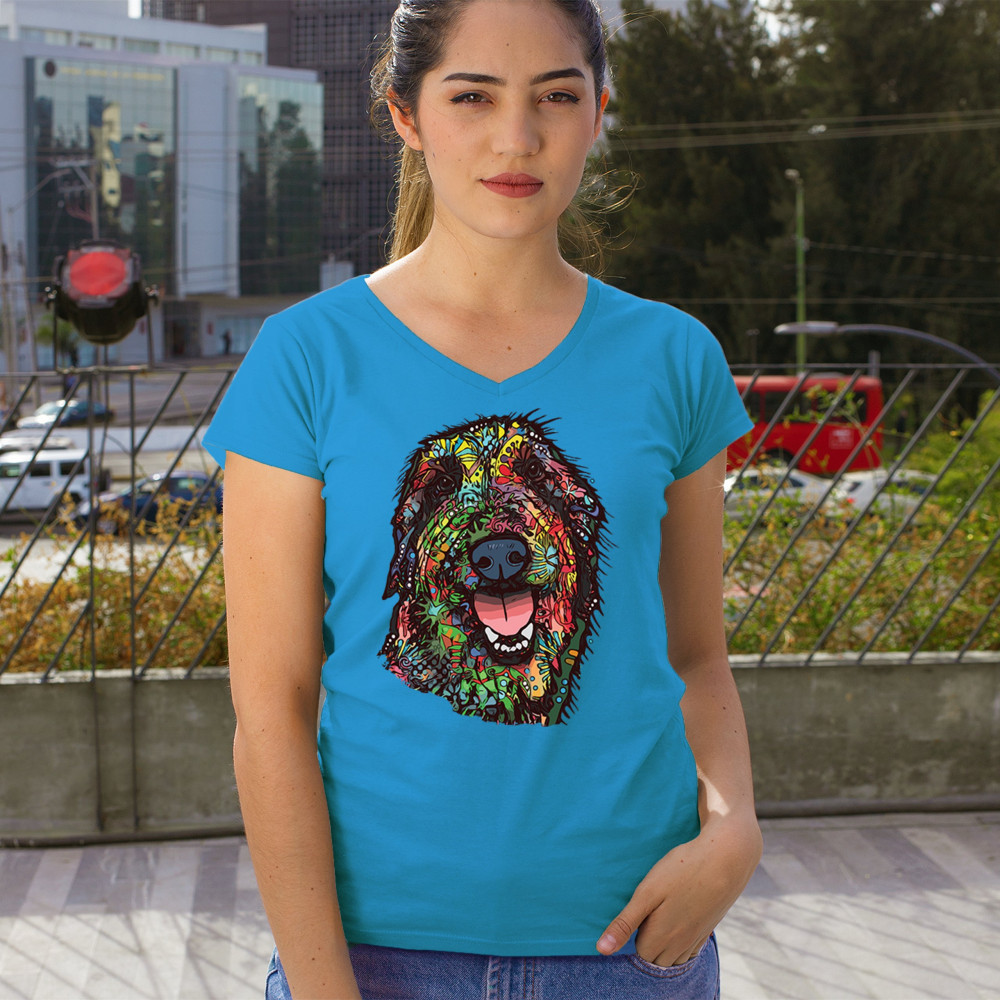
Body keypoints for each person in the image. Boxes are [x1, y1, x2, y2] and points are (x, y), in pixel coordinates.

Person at [204, 1, 762, 997]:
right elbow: (271, 709)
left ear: (598, 112)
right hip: (372, 953)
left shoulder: (673, 357)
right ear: (406, 114)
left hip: (631, 946)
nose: (517, 138)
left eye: (556, 97)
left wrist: (733, 829)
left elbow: (695, 656)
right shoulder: (307, 358)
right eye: (472, 97)